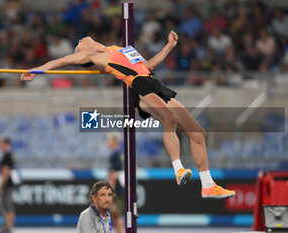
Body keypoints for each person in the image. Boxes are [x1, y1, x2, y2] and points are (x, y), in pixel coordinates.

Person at [20, 31, 235, 199]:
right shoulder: (91, 54)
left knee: (198, 132)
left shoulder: (119, 48)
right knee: (169, 119)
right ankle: (178, 169)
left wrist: (169, 46)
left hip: (153, 81)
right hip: (140, 87)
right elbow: (60, 62)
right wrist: (36, 70)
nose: (81, 40)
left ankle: (207, 185)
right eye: (79, 44)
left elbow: (148, 65)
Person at [0, 137, 17, 232]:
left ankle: (8, 226)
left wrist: (1, 185)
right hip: (9, 183)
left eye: (1, 144)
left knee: (7, 205)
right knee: (8, 204)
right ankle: (8, 225)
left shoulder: (7, 156)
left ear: (6, 144)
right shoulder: (10, 155)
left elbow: (5, 172)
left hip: (7, 184)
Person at [107, 133, 124, 233]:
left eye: (109, 140)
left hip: (117, 189)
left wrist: (110, 191)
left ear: (113, 141)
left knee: (116, 215)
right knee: (117, 215)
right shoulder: (123, 153)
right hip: (125, 187)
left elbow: (112, 174)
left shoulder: (114, 155)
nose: (108, 143)